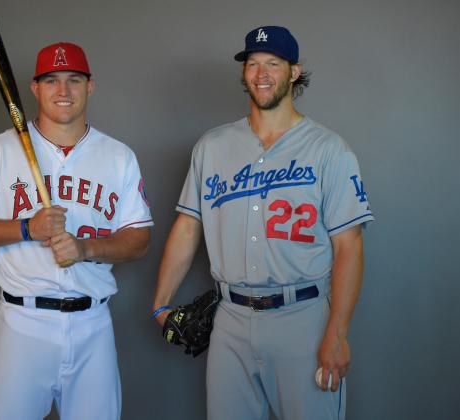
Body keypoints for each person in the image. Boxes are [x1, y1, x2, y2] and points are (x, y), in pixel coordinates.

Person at [152, 26, 374, 420]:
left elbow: (349, 246)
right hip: (230, 321)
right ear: (243, 74)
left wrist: (337, 334)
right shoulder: (212, 146)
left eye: (273, 63)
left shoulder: (329, 150)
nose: (261, 73)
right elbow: (188, 228)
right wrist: (160, 305)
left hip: (303, 320)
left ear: (294, 71)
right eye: (253, 64)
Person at [0, 41, 152, 420]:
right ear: (35, 88)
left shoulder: (118, 156)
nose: (63, 91)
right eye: (52, 80)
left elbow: (138, 239)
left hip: (93, 324)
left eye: (74, 80)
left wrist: (86, 250)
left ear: (90, 86)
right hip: (23, 323)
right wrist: (27, 227)